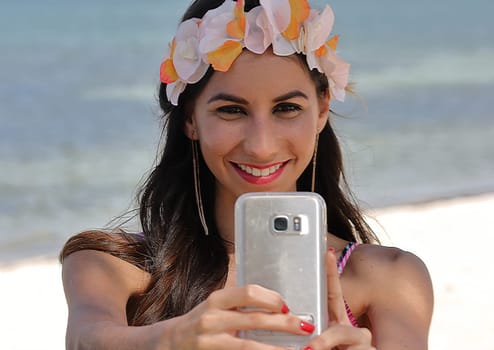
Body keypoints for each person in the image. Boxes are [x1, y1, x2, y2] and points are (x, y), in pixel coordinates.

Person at [60, 0, 434, 349]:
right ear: (190, 118)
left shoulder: (388, 277)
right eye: (231, 111)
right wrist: (173, 338)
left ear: (321, 111)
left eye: (287, 108)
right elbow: (88, 338)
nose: (261, 146)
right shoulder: (114, 266)